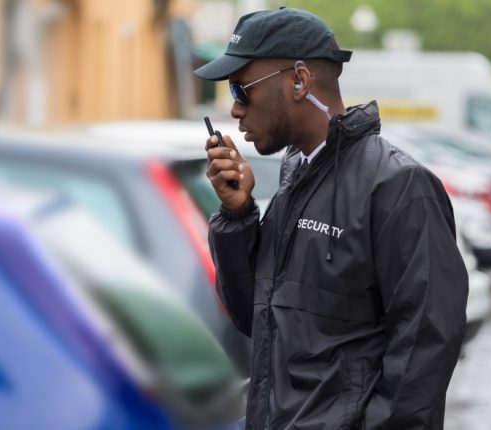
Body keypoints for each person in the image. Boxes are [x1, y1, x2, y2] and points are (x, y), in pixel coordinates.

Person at [194, 7, 468, 430]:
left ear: (299, 81)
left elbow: (424, 353)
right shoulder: (295, 180)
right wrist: (238, 215)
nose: (234, 109)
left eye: (241, 88)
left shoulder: (398, 186)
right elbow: (255, 318)